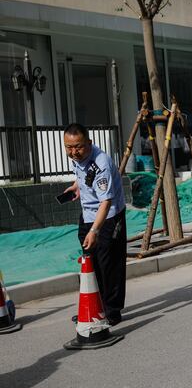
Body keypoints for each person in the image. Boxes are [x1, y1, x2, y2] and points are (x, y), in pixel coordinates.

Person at [62, 123, 127, 326]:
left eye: (78, 147)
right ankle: (94, 306)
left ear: (89, 143)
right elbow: (83, 176)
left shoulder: (101, 164)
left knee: (109, 265)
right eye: (69, 147)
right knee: (90, 264)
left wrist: (95, 231)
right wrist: (77, 187)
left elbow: (106, 202)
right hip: (89, 214)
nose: (74, 152)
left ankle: (112, 312)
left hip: (108, 218)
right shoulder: (78, 158)